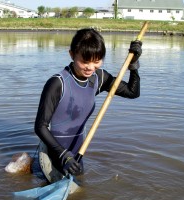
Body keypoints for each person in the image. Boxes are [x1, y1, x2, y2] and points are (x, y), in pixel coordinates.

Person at [34, 28, 142, 179]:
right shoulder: (58, 83)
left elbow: (133, 92)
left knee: (78, 194)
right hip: (54, 155)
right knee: (73, 196)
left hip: (77, 154)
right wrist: (64, 156)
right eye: (85, 61)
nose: (91, 67)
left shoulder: (98, 78)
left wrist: (134, 64)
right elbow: (40, 127)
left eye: (96, 61)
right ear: (71, 54)